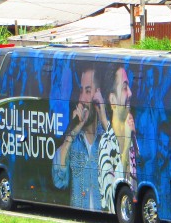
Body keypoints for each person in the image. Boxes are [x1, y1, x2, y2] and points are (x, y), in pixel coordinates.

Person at [52, 63, 108, 210]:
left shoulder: (107, 139)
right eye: (81, 91)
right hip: (80, 219)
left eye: (88, 91)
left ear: (97, 95)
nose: (82, 98)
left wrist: (103, 118)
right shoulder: (73, 140)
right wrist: (73, 130)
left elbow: (119, 163)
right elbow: (59, 179)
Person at [97, 64, 138, 213]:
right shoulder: (106, 145)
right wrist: (127, 144)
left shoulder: (133, 135)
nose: (131, 93)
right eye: (125, 87)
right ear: (112, 100)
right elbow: (109, 203)